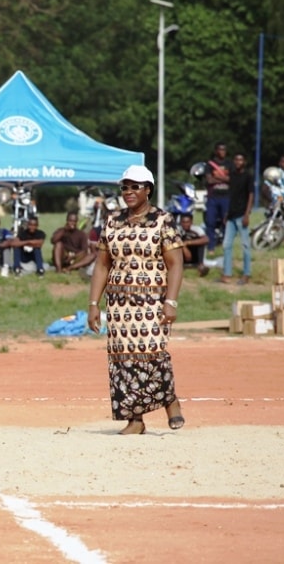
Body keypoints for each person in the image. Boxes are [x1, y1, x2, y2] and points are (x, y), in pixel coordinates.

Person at [87, 164, 185, 435]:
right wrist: (94, 304)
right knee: (124, 361)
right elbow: (102, 265)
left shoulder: (163, 220)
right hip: (119, 304)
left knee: (153, 353)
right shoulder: (112, 220)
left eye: (135, 187)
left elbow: (175, 264)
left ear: (148, 190)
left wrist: (172, 301)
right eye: (125, 187)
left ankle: (170, 401)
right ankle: (135, 420)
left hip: (153, 301)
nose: (129, 192)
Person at [221, 153, 254, 285]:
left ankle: (246, 274)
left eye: (241, 159)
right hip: (231, 215)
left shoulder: (248, 176)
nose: (238, 162)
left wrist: (247, 214)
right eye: (236, 159)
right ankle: (227, 273)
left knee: (245, 245)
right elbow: (232, 195)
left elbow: (251, 195)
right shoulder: (232, 176)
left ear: (244, 161)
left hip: (242, 215)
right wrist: (227, 213)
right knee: (226, 245)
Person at [203, 142, 232, 255]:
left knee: (226, 222)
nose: (222, 152)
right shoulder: (210, 165)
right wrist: (224, 178)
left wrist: (218, 177)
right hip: (213, 197)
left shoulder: (229, 164)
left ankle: (225, 245)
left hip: (226, 197)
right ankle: (211, 246)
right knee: (210, 222)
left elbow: (232, 179)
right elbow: (209, 180)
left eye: (224, 149)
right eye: (220, 149)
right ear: (216, 151)